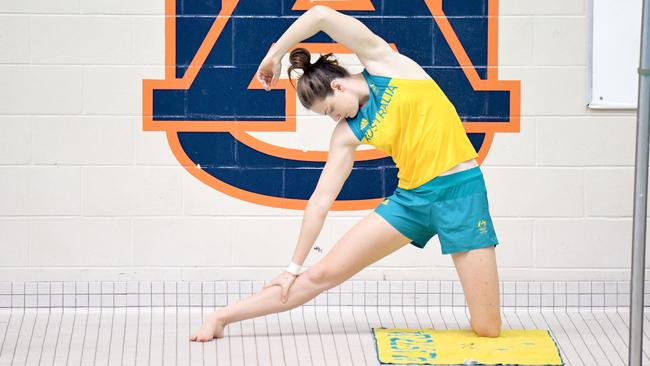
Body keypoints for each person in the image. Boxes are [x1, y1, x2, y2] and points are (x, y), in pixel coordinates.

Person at [190, 5, 501, 342]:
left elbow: (321, 15)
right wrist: (292, 267)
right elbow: (320, 201)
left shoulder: (386, 65)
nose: (333, 119)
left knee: (488, 328)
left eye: (329, 110)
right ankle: (222, 317)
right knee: (320, 274)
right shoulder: (347, 133)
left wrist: (275, 54)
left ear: (338, 87)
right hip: (411, 202)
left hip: (461, 193)